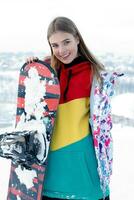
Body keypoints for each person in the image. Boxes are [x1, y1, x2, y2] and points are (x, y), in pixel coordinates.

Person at [27, 16, 120, 200]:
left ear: (77, 38)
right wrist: (32, 68)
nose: (61, 50)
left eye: (66, 42)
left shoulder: (94, 74)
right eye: (54, 45)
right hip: (49, 174)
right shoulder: (46, 72)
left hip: (84, 176)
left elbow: (103, 129)